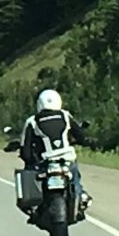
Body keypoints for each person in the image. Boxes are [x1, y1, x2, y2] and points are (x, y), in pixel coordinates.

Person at [18, 88, 91, 216]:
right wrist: (87, 142)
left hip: (44, 162)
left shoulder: (32, 121)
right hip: (67, 159)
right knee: (75, 177)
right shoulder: (65, 116)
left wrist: (28, 160)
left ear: (39, 104)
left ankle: (35, 207)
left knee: (31, 174)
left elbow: (26, 151)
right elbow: (80, 136)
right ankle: (80, 196)